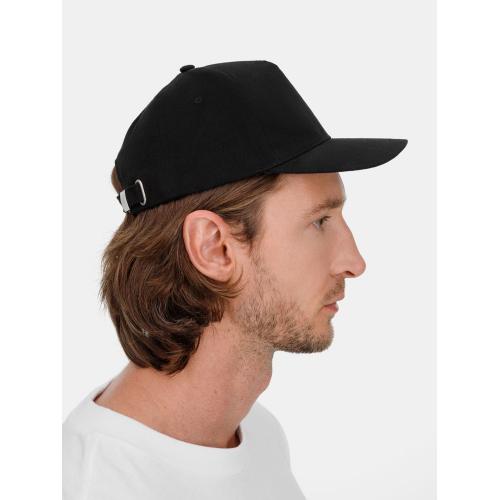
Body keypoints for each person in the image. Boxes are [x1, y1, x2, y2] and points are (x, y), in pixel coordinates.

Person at [63, 60, 408, 500]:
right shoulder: (91, 485)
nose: (354, 262)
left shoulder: (257, 435)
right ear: (214, 247)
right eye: (319, 222)